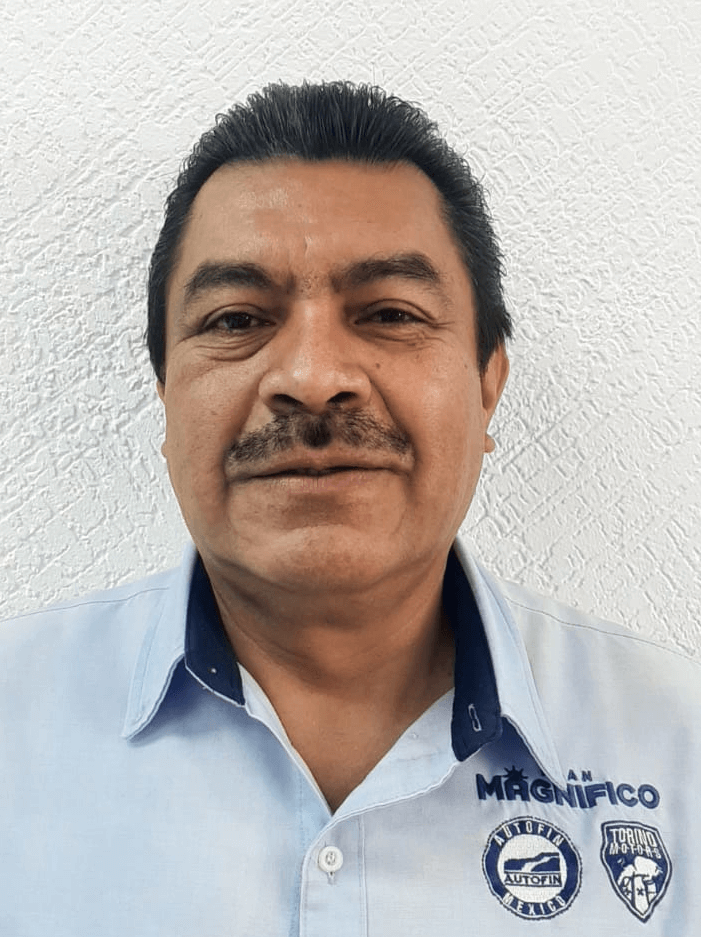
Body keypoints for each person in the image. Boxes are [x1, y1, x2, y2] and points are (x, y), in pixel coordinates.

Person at [1, 80, 698, 935]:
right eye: (236, 318)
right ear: (166, 393)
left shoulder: (678, 746)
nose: (311, 376)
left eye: (390, 313)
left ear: (487, 385)